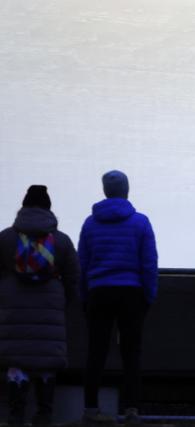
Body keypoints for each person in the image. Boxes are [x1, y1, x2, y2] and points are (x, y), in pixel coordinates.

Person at [78, 171, 158, 424]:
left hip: (99, 292)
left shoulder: (90, 224)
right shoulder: (141, 223)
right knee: (131, 352)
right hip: (131, 293)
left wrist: (84, 297)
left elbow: (82, 264)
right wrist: (149, 296)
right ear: (126, 190)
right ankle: (131, 409)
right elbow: (149, 263)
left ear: (105, 191)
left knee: (96, 352)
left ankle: (91, 409)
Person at [0, 185, 79, 426]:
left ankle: (15, 415)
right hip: (49, 308)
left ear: (22, 207)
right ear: (49, 209)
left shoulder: (6, 238)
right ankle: (44, 414)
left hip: (13, 307)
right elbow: (74, 279)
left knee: (16, 362)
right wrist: (62, 301)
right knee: (46, 362)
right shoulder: (62, 241)